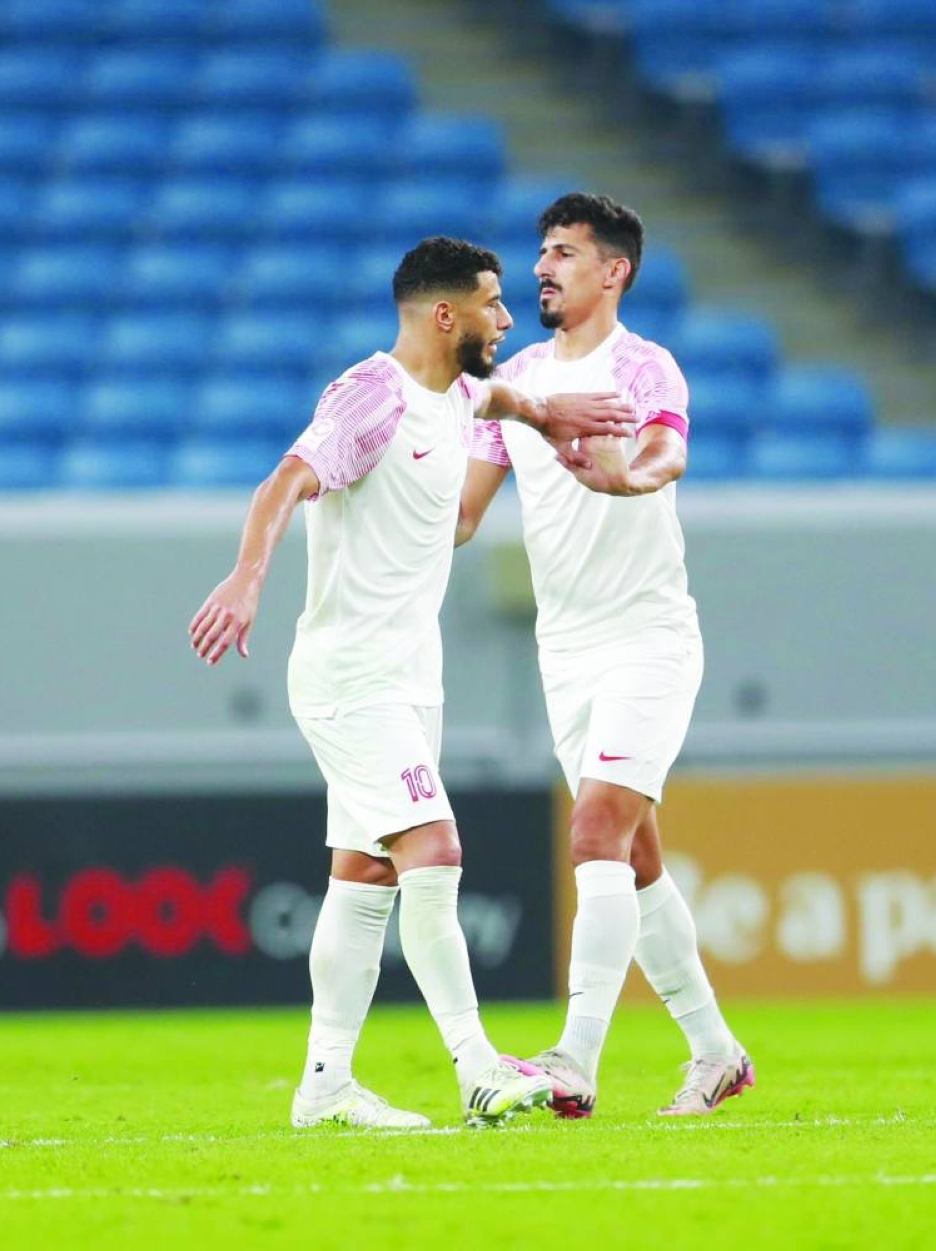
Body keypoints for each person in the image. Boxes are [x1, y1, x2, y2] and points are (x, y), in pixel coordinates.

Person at [189, 236, 633, 1129]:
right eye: (492, 304)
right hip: (352, 678)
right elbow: (286, 478)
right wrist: (247, 576)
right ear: (445, 315)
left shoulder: (463, 394)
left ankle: (324, 1084)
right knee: (434, 848)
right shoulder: (372, 397)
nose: (509, 319)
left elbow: (499, 396)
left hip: (406, 680)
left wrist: (549, 416)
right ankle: (476, 1065)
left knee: (363, 877)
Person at [457, 194, 755, 1119]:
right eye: (540, 253)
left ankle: (574, 1057)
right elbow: (461, 514)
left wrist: (626, 475)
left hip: (648, 638)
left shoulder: (644, 366)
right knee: (633, 859)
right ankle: (716, 1050)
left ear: (613, 270)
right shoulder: (519, 382)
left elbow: (667, 454)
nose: (540, 269)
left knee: (592, 831)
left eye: (562, 253)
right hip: (566, 649)